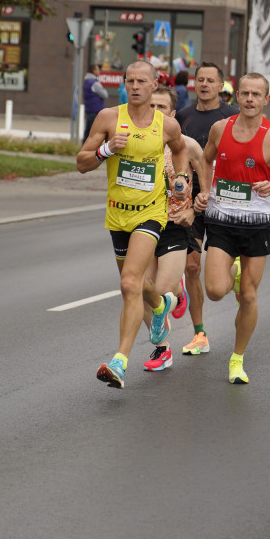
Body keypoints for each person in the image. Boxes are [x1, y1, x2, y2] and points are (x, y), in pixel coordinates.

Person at [77, 59, 190, 390]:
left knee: (129, 283)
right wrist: (106, 149)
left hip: (151, 213)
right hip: (118, 214)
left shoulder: (166, 125)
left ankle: (119, 361)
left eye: (142, 81)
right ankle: (160, 305)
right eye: (130, 81)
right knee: (140, 287)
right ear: (124, 84)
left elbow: (181, 150)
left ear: (155, 85)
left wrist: (181, 177)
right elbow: (81, 163)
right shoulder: (109, 118)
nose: (136, 86)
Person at [194, 72, 270, 383]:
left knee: (250, 297)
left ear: (266, 100)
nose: (251, 99)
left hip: (256, 225)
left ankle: (237, 359)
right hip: (222, 221)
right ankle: (233, 272)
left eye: (257, 94)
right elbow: (205, 160)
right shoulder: (220, 129)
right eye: (245, 93)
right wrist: (204, 190)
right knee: (214, 290)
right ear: (236, 97)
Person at [175, 62, 240, 356]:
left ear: (220, 86)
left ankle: (234, 273)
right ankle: (199, 333)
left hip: (224, 200)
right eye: (200, 80)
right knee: (191, 265)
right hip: (193, 200)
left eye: (210, 81)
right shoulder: (183, 118)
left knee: (218, 280)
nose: (204, 85)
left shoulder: (232, 117)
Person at [141, 85, 206, 371]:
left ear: (173, 114)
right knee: (142, 291)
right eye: (151, 107)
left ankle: (177, 292)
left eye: (162, 108)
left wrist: (193, 210)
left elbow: (208, 187)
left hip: (174, 226)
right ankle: (162, 349)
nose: (155, 113)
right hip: (142, 225)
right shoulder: (138, 142)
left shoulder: (188, 145)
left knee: (161, 288)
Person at [82, 64, 109, 142]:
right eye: (97, 69)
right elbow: (105, 95)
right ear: (94, 71)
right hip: (96, 111)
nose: (99, 71)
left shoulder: (86, 82)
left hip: (89, 110)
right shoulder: (94, 83)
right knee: (94, 133)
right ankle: (90, 151)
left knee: (87, 132)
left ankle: (83, 149)